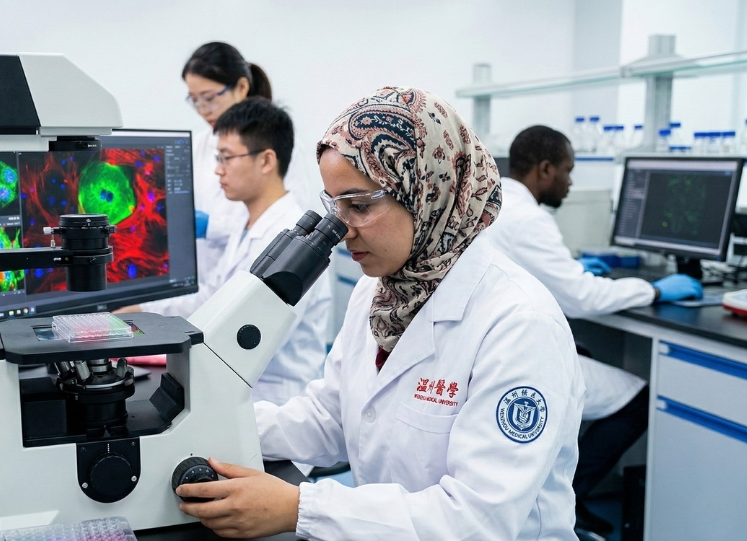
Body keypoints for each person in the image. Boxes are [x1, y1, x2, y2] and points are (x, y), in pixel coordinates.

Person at [174, 87, 585, 540]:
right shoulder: (378, 291)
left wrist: (300, 508)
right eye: (335, 207)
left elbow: (476, 519)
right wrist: (207, 426)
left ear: (425, 191)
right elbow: (331, 418)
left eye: (360, 206)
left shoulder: (520, 324)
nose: (342, 230)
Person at [478, 125, 700, 535]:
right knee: (638, 398)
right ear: (546, 169)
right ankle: (571, 502)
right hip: (517, 357)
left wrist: (572, 270)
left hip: (493, 347)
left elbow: (530, 269)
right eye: (568, 170)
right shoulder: (530, 219)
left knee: (586, 355)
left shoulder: (497, 201)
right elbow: (583, 298)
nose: (570, 181)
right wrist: (654, 289)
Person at [125, 98, 330, 406]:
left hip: (273, 400)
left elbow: (243, 340)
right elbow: (211, 298)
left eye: (226, 158)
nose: (218, 170)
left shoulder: (294, 244)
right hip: (238, 389)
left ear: (266, 161)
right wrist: (139, 312)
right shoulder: (246, 226)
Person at [182, 42, 321, 286]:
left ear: (241, 87)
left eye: (209, 98)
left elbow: (287, 219)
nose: (203, 110)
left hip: (261, 268)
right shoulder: (201, 143)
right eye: (194, 100)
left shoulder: (278, 143)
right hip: (215, 275)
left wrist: (212, 227)